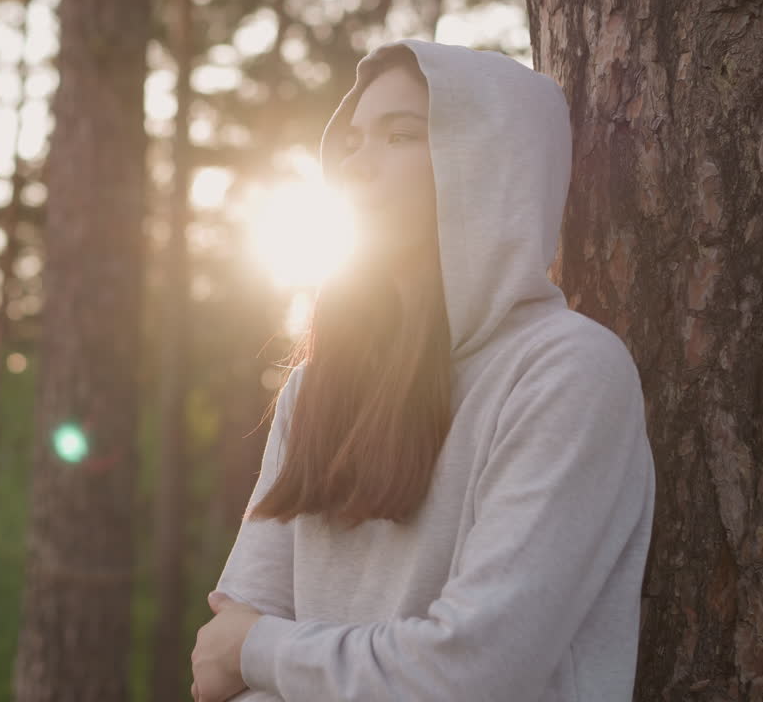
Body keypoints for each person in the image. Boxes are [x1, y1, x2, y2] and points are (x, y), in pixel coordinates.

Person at [189, 38, 656, 702]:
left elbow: (473, 671)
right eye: (352, 140)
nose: (357, 164)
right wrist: (258, 653)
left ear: (493, 165)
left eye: (401, 136)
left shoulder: (566, 373)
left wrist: (266, 651)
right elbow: (221, 667)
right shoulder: (318, 385)